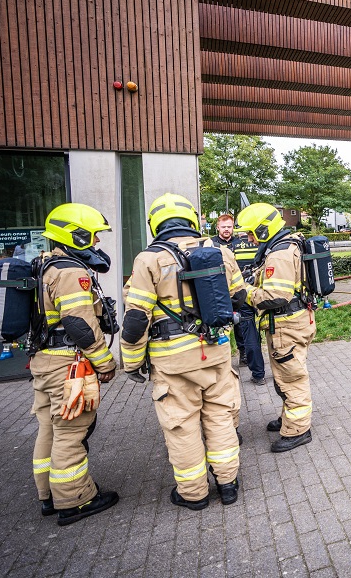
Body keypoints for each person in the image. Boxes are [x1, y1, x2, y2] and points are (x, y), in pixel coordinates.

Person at [121, 194, 245, 510]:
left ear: (156, 224)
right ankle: (228, 484)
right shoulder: (219, 251)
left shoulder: (147, 260)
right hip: (215, 353)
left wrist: (132, 364)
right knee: (219, 418)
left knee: (182, 426)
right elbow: (240, 298)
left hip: (172, 363)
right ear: (191, 219)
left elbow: (136, 320)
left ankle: (194, 494)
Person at [31, 203, 119, 526]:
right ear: (76, 235)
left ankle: (48, 495)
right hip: (67, 367)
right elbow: (80, 326)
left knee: (49, 428)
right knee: (71, 431)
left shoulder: (44, 264)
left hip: (43, 361)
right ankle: (75, 499)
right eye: (93, 237)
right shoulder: (70, 272)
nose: (96, 244)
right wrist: (105, 362)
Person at [235, 203, 315, 452]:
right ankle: (290, 417)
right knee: (285, 375)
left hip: (286, 325)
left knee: (291, 378)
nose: (249, 238)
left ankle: (298, 430)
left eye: (251, 232)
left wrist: (244, 293)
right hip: (295, 321)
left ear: (263, 229)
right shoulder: (289, 243)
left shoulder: (279, 253)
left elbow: (276, 296)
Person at [214, 214, 265, 385]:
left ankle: (255, 370)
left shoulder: (243, 243)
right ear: (218, 227)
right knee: (220, 332)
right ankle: (223, 370)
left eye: (229, 226)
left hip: (240, 294)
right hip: (220, 296)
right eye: (224, 227)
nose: (227, 229)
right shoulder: (210, 244)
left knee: (248, 330)